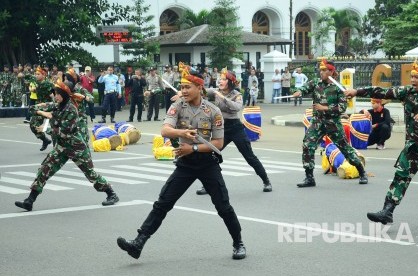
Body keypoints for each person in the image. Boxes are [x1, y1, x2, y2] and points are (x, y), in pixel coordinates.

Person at [116, 66, 246, 260]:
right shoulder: (178, 106)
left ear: (199, 88)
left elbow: (218, 143)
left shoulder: (213, 111)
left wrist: (192, 147)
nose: (183, 91)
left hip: (207, 163)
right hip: (185, 163)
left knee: (223, 206)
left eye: (187, 87)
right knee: (162, 203)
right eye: (182, 87)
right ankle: (138, 242)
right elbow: (165, 130)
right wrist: (182, 134)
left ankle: (238, 243)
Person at [344, 60, 418, 229]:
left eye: (416, 77)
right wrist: (356, 91)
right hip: (413, 147)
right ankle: (387, 211)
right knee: (400, 178)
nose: (413, 80)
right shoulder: (407, 92)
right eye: (411, 77)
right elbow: (381, 92)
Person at [14, 79, 119, 212]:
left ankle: (111, 194)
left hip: (76, 147)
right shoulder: (56, 105)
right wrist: (42, 112)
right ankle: (30, 200)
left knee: (90, 174)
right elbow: (34, 108)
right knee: (45, 169)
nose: (55, 96)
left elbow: (65, 131)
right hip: (62, 147)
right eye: (55, 93)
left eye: (57, 93)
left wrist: (47, 126)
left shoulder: (71, 109)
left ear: (64, 94)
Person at [196, 68, 272, 195]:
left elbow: (236, 107)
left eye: (224, 79)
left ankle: (266, 181)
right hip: (222, 128)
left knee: (249, 157)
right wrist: (185, 91)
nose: (220, 81)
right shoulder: (214, 91)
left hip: (236, 128)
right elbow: (200, 91)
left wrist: (222, 97)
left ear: (230, 82)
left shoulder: (237, 94)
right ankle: (207, 185)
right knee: (211, 155)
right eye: (220, 79)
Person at [295, 59, 368, 188]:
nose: (321, 72)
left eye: (324, 70)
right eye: (320, 70)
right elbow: (305, 87)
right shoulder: (316, 83)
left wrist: (324, 108)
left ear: (331, 72)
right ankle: (309, 177)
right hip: (317, 122)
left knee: (345, 148)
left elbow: (341, 108)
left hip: (332, 124)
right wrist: (299, 91)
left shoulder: (339, 88)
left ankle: (362, 172)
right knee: (307, 145)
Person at [29, 66, 54, 151]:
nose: (36, 75)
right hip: (39, 107)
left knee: (52, 127)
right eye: (35, 74)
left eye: (38, 74)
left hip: (48, 108)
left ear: (43, 75)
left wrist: (55, 106)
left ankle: (57, 147)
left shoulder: (48, 84)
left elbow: (53, 96)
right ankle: (45, 140)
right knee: (33, 125)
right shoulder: (37, 82)